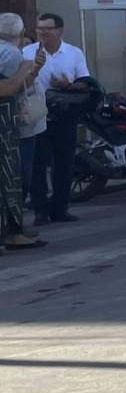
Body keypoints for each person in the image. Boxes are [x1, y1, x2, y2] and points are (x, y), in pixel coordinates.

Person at [26, 14, 90, 227]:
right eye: (40, 28)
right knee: (37, 165)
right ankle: (40, 210)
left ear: (59, 30)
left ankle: (60, 208)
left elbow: (85, 81)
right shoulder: (28, 52)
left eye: (48, 28)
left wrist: (68, 85)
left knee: (64, 164)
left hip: (64, 115)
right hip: (38, 114)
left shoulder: (73, 53)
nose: (43, 32)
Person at [0, 13, 44, 253]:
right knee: (14, 178)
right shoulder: (11, 54)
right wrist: (27, 68)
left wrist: (34, 70)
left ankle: (13, 229)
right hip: (8, 126)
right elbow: (8, 89)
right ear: (21, 32)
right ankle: (12, 232)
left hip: (10, 125)